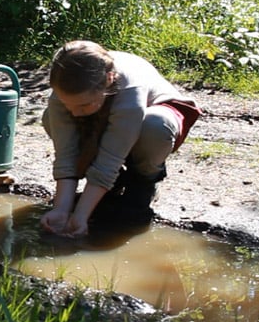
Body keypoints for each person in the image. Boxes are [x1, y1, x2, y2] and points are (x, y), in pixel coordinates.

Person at [39, 40, 201, 237]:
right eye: (68, 105)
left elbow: (109, 161)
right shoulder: (63, 90)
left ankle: (143, 182)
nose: (74, 113)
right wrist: (61, 211)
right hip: (105, 122)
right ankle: (112, 187)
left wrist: (81, 216)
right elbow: (66, 155)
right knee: (50, 118)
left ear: (109, 79)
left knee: (155, 125)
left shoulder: (130, 91)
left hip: (153, 123)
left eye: (83, 105)